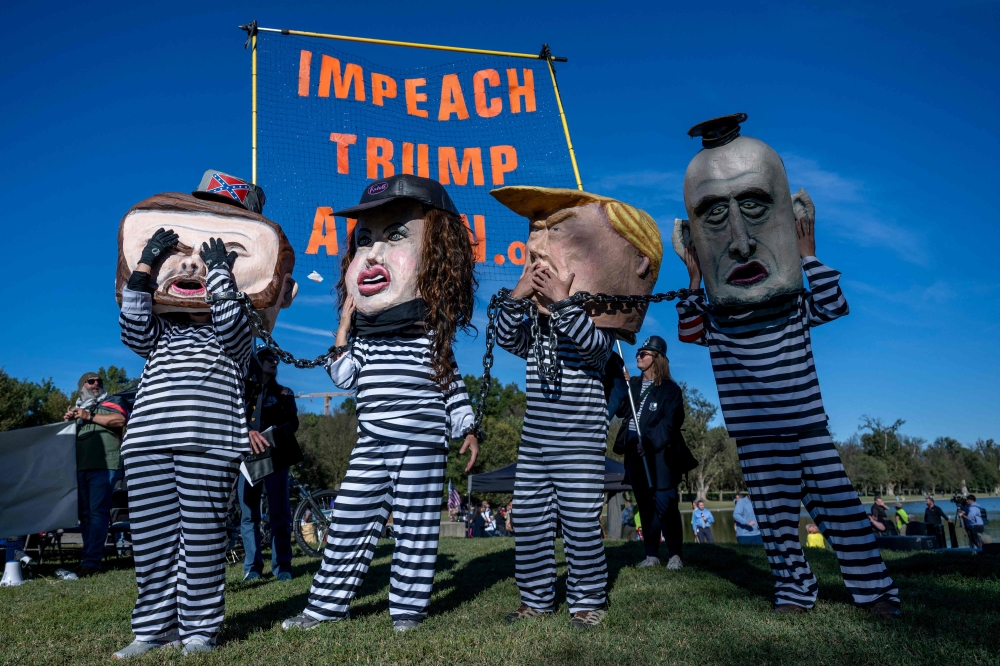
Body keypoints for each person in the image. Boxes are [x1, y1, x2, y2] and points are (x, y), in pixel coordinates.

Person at [674, 114, 899, 619]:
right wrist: (693, 273)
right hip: (756, 436)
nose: (739, 240)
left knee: (841, 512)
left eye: (753, 206)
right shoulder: (716, 318)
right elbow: (690, 328)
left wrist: (806, 251)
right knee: (776, 521)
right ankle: (795, 592)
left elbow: (833, 302)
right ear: (692, 234)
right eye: (714, 217)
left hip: (807, 430)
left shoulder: (795, 305)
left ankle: (875, 591)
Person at [281, 175, 479, 634]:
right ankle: (325, 608)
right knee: (348, 520)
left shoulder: (431, 335)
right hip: (372, 442)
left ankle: (407, 611)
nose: (371, 253)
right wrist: (344, 327)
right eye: (364, 239)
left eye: (394, 235)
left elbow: (451, 384)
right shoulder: (366, 340)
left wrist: (466, 426)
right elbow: (344, 376)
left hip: (423, 443)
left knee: (415, 530)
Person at [490, 185, 663, 631]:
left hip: (578, 444)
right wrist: (518, 293)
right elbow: (509, 339)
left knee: (580, 523)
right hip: (536, 443)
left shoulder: (594, 322)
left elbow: (593, 352)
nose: (539, 255)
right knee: (528, 519)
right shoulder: (538, 329)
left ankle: (587, 601)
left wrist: (566, 301)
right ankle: (536, 599)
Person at [114, 213, 254, 655]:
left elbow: (232, 323)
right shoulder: (161, 335)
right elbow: (133, 321)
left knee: (202, 541)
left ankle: (198, 630)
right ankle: (152, 631)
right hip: (147, 444)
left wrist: (220, 270)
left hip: (209, 444)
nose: (190, 268)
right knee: (153, 543)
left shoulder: (234, 333)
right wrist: (147, 263)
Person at [613, 336, 695, 570]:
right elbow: (622, 411)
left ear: (657, 359)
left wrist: (649, 442)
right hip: (634, 452)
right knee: (645, 507)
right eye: (638, 353)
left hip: (660, 457)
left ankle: (675, 555)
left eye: (644, 353)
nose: (638, 356)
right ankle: (651, 555)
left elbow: (671, 423)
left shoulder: (670, 390)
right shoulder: (635, 384)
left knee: (665, 504)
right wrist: (623, 385)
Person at [237, 347, 300, 582]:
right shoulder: (243, 391)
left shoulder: (284, 393)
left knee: (279, 512)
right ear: (257, 362)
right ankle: (252, 567)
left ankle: (282, 565)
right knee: (248, 513)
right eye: (268, 358)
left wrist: (273, 433)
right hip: (248, 456)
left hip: (276, 456)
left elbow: (292, 424)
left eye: (276, 359)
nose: (274, 361)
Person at [63, 372, 128, 577]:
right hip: (81, 468)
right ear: (82, 386)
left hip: (105, 466)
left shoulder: (111, 401)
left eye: (99, 381)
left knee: (97, 513)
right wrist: (67, 423)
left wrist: (88, 416)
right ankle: (87, 559)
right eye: (91, 381)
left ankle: (92, 562)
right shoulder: (78, 410)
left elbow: (120, 420)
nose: (96, 384)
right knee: (85, 516)